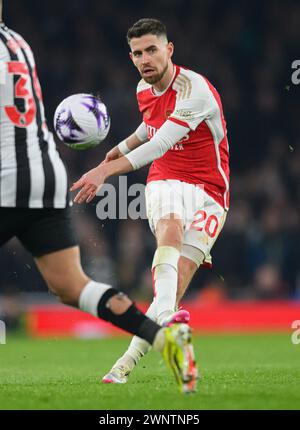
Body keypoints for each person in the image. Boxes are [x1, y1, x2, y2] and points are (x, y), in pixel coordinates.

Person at [0, 4, 197, 394]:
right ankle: (163, 339)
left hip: (6, 179)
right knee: (71, 286)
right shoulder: (17, 43)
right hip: (46, 174)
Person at [72, 17, 229, 385]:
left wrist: (103, 173)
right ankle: (143, 349)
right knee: (170, 231)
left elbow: (159, 141)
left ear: (169, 49)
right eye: (138, 53)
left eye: (152, 50)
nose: (145, 59)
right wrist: (115, 152)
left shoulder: (196, 90)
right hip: (167, 179)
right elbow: (148, 130)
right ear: (131, 57)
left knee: (169, 295)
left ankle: (134, 358)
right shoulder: (143, 88)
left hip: (210, 193)